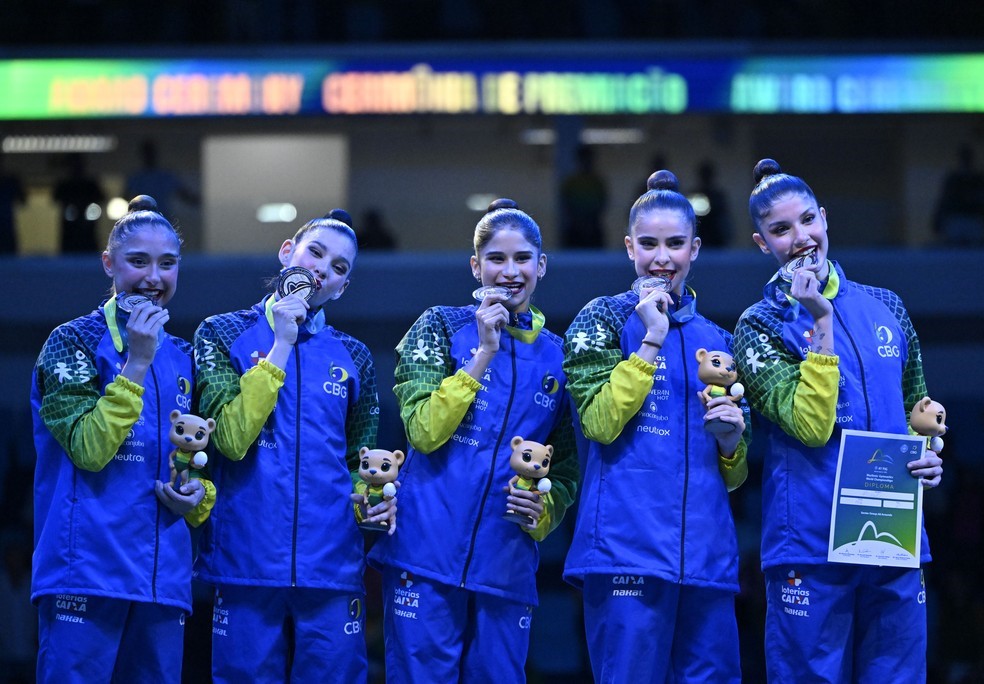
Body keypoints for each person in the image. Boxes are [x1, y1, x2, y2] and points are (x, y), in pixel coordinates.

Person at [732, 158, 944, 682]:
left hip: (893, 536)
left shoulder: (887, 306)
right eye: (781, 230)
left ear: (824, 219)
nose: (800, 238)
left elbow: (918, 410)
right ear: (763, 243)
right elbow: (808, 425)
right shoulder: (758, 327)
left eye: (807, 220)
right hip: (809, 540)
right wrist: (821, 320)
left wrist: (929, 455)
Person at [369, 199, 579, 682]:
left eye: (523, 258)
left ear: (541, 266)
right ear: (475, 265)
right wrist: (483, 353)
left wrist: (544, 514)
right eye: (496, 259)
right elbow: (423, 431)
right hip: (423, 555)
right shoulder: (439, 327)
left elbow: (564, 470)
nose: (510, 271)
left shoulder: (559, 358)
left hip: (505, 565)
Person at [562, 170, 749, 682]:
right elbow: (599, 423)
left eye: (674, 244)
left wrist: (733, 439)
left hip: (707, 556)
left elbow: (734, 473)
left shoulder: (721, 340)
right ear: (628, 247)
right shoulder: (599, 320)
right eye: (648, 244)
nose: (661, 257)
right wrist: (651, 339)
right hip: (626, 550)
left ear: (695, 248)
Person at [193, 209, 388, 683]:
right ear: (288, 253)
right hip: (245, 560)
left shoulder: (354, 355)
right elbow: (232, 440)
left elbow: (359, 462)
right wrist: (281, 342)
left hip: (332, 564)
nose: (323, 269)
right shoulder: (220, 334)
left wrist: (372, 501)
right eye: (315, 253)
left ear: (342, 287)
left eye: (339, 268)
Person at [30, 195, 215, 683]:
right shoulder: (70, 343)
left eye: (167, 264)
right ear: (109, 264)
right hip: (86, 572)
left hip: (163, 580)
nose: (154, 277)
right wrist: (135, 362)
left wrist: (196, 496)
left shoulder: (183, 355)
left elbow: (193, 464)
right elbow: (89, 450)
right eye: (138, 262)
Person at [52, 153, 105, 254]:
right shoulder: (64, 184)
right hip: (71, 232)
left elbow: (101, 198)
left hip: (86, 230)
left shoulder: (89, 184)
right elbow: (55, 198)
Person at [932, 143, 984, 245]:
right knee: (956, 250)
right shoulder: (953, 179)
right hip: (956, 219)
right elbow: (944, 200)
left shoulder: (978, 179)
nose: (966, 161)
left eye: (968, 158)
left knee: (973, 252)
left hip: (973, 219)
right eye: (964, 158)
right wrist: (938, 220)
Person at [560, 145, 608, 248]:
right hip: (575, 230)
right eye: (583, 160)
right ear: (578, 161)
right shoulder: (571, 183)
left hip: (593, 229)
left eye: (588, 160)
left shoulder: (597, 183)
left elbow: (602, 205)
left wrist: (590, 221)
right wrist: (578, 221)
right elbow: (566, 205)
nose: (586, 163)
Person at [0, 149, 25, 254]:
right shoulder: (11, 181)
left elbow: (23, 200)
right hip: (7, 227)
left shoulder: (10, 181)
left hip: (7, 227)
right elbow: (23, 200)